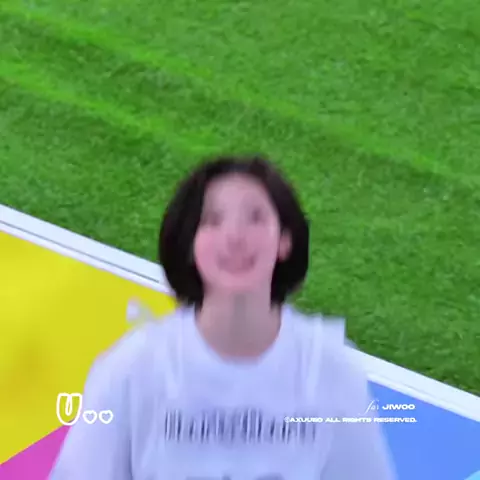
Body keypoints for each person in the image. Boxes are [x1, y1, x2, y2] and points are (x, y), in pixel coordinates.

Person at [50, 155, 396, 479]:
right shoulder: (130, 370)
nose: (235, 237)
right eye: (212, 220)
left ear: (285, 240)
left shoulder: (331, 372)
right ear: (189, 243)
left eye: (255, 218)